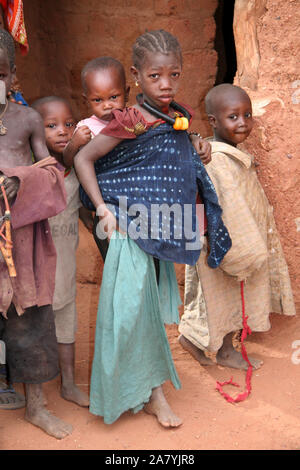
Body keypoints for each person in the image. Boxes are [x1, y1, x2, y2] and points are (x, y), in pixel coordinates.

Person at [74, 30, 232, 427]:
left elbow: (173, 157)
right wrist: (101, 208)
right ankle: (147, 393)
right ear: (137, 76)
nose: (165, 84)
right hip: (124, 226)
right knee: (129, 311)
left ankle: (148, 391)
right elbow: (84, 161)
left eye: (173, 75)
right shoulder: (130, 120)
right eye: (155, 76)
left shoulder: (174, 116)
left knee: (143, 311)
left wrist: (197, 144)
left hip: (156, 226)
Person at [179, 83, 296, 370]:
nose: (242, 122)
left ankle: (195, 340)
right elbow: (227, 209)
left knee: (218, 299)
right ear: (214, 121)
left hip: (230, 245)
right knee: (226, 298)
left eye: (247, 115)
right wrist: (244, 248)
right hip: (227, 247)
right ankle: (225, 350)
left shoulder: (232, 155)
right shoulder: (217, 161)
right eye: (233, 117)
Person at [0, 28, 72, 439]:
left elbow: (50, 170)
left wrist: (18, 180)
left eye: (1, 74)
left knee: (30, 320)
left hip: (21, 239)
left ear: (12, 76)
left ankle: (36, 406)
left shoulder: (27, 119)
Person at [31, 96, 93, 408]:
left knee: (67, 326)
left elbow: (79, 206)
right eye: (51, 125)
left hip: (65, 269)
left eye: (69, 124)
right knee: (34, 331)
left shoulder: (77, 169)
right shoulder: (35, 172)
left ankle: (68, 383)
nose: (63, 131)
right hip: (36, 272)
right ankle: (35, 396)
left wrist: (96, 227)